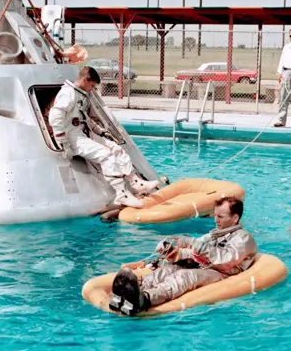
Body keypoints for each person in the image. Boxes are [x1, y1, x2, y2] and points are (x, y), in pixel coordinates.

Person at [109, 197, 257, 316]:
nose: (215, 220)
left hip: (221, 273)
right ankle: (128, 291)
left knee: (184, 276)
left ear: (235, 218)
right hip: (204, 266)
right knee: (167, 270)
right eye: (215, 215)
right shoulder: (214, 235)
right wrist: (174, 253)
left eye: (220, 216)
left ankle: (145, 299)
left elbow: (226, 260)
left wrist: (192, 242)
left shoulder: (243, 238)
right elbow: (197, 252)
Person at [49, 66, 160, 208]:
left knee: (116, 149)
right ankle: (122, 195)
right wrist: (63, 142)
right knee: (106, 155)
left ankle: (135, 182)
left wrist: (100, 131)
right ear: (85, 80)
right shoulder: (68, 94)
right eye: (92, 85)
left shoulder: (79, 94)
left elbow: (84, 118)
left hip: (82, 133)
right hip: (72, 137)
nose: (92, 89)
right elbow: (55, 116)